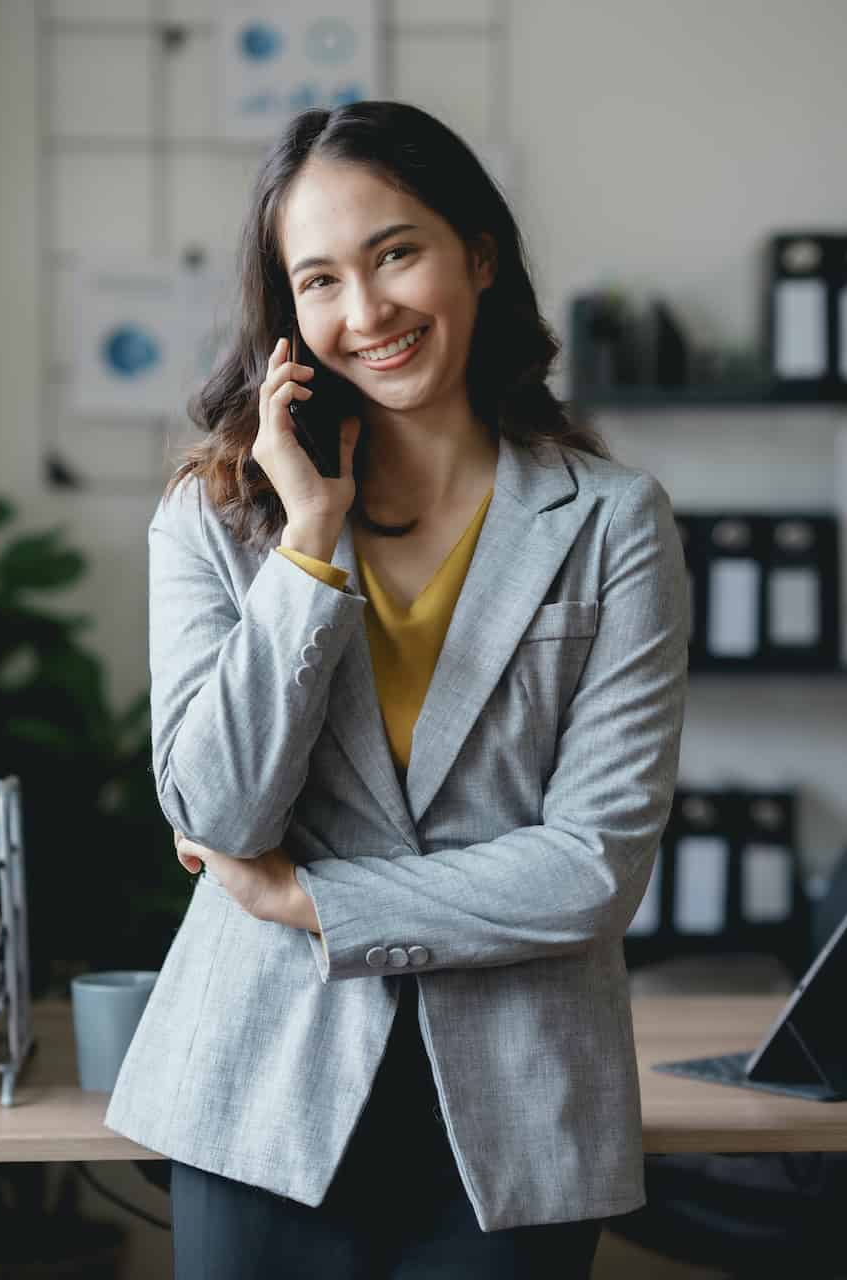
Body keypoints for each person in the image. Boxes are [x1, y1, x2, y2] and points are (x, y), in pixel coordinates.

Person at [104, 100, 689, 1278]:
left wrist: (309, 899)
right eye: (318, 279)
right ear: (287, 316)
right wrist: (309, 543)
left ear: (476, 252)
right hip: (257, 1099)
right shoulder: (215, 522)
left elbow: (589, 870)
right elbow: (218, 813)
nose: (365, 313)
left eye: (396, 253)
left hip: (519, 1113)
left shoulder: (613, 524)